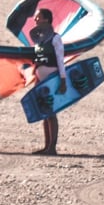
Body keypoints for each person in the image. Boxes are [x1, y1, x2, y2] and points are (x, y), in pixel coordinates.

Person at [30, 8, 67, 155]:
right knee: (45, 112)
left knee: (51, 112)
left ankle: (52, 147)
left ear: (46, 20)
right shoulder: (39, 40)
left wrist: (63, 80)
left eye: (38, 17)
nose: (35, 20)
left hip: (51, 79)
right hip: (41, 79)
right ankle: (46, 146)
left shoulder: (55, 38)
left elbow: (60, 60)